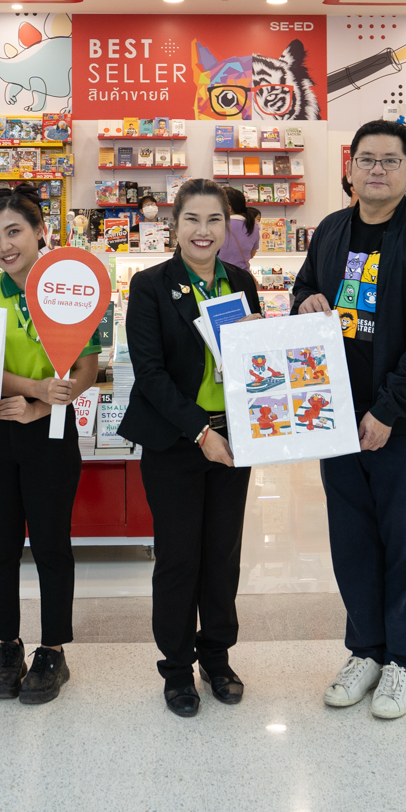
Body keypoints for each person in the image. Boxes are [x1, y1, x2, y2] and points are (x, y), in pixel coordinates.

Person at [292, 119, 406, 721]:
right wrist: (305, 301)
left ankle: (401, 663)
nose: (377, 170)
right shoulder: (331, 231)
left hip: (404, 425)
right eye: (367, 159)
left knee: (403, 543)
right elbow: (304, 291)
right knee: (352, 542)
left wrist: (387, 411)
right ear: (350, 168)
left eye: (391, 160)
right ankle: (364, 651)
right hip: (335, 417)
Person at [121, 178, 263, 717]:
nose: (203, 231)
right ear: (174, 225)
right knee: (179, 557)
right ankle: (178, 668)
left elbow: (252, 364)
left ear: (228, 226)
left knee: (222, 556)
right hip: (178, 440)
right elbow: (151, 374)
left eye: (214, 220)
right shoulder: (151, 285)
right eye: (192, 220)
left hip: (235, 438)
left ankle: (217, 658)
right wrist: (201, 433)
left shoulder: (241, 282)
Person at [0, 186, 100, 706]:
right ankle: (8, 646)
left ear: (40, 231)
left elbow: (87, 366)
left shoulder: (72, 288)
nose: (3, 246)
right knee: (0, 544)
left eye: (14, 232)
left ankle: (53, 650)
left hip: (52, 432)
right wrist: (34, 389)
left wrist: (43, 407)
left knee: (51, 544)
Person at [219, 187, 261, 271]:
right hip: (243, 274)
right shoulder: (254, 227)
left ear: (229, 208)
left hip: (221, 275)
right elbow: (251, 254)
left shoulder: (218, 225)